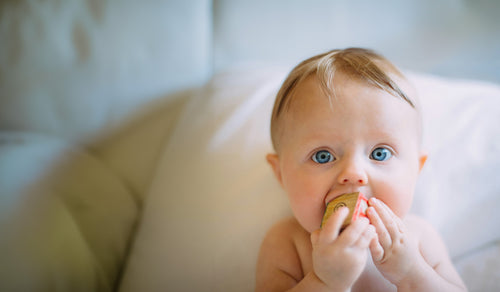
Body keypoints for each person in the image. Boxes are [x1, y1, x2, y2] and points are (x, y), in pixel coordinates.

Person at [256, 48, 467, 291]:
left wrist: (412, 273)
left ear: (415, 170)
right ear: (281, 174)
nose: (354, 173)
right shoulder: (287, 243)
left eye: (380, 153)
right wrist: (324, 282)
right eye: (323, 156)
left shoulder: (418, 239)